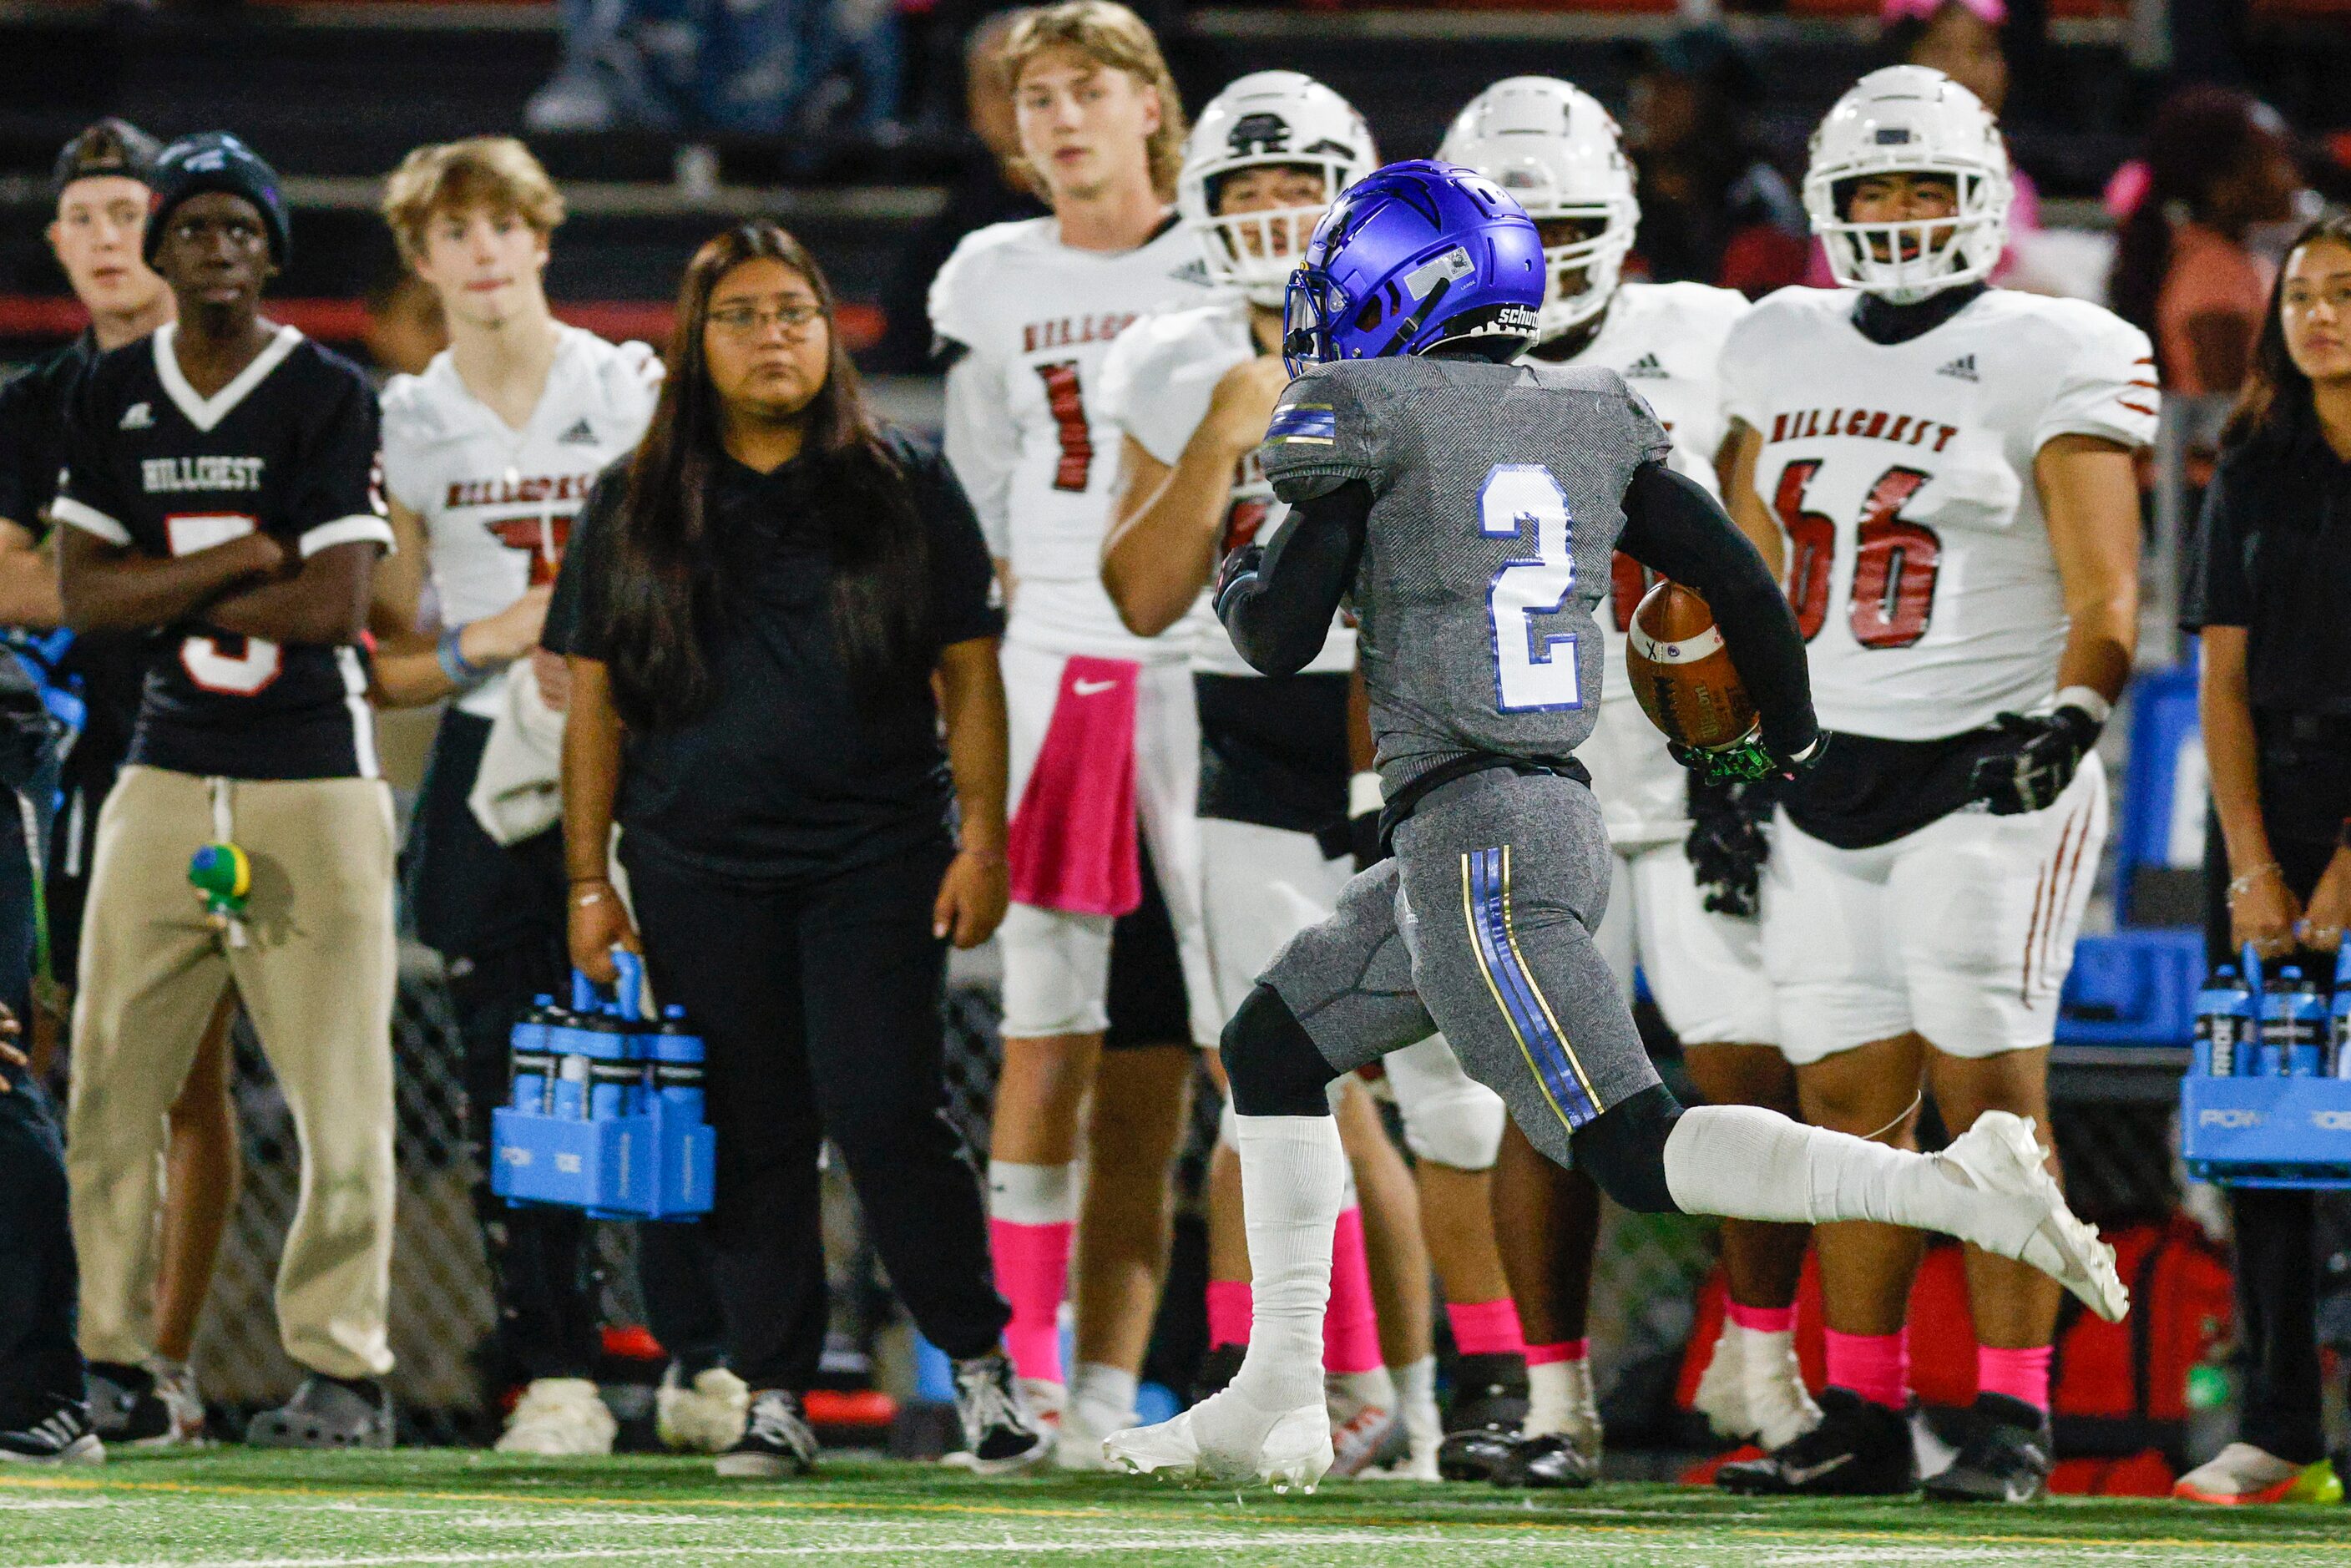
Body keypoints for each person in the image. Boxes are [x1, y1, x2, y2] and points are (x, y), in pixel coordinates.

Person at [1104, 157, 2123, 1492]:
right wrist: (1792, 739)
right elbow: (1741, 581)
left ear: (1407, 283)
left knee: (1632, 1147)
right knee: (1275, 1043)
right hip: (1523, 820)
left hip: (1475, 829)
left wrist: (1250, 564)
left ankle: (1954, 1186)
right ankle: (1278, 1390)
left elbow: (1278, 636)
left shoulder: (1365, 407)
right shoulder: (1590, 408)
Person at [1709, 67, 2155, 1503]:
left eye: (1926, 188)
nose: (1898, 218)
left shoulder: (2055, 346)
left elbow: (2109, 586)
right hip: (1822, 758)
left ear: (1984, 197)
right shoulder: (1774, 340)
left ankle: (2013, 1417)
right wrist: (1722, 745)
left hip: (1987, 758)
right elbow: (1728, 562)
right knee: (1845, 1108)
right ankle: (1863, 1407)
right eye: (1873, 191)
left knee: (1990, 1104)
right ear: (1828, 208)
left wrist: (2075, 710)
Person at [549, 220, 1044, 1480]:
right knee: (748, 1126)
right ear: (694, 345)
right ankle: (773, 1388)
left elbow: (970, 677)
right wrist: (588, 877)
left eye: (796, 312)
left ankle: (982, 1369)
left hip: (876, 853)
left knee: (889, 1114)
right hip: (694, 863)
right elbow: (593, 700)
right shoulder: (633, 499)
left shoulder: (906, 479)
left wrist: (982, 836)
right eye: (744, 316)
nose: (775, 336)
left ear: (830, 334)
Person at [1100, 68, 1531, 1481]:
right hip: (1248, 740)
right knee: (1267, 1076)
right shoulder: (1176, 362)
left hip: (1413, 734)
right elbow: (1137, 591)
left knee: (1458, 1095)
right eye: (1243, 190)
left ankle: (1468, 1386)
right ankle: (1264, 1379)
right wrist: (1229, 426)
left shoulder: (1446, 348)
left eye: (1300, 188)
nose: (1273, 215)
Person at [1433, 76, 1816, 1490]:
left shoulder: (1717, 333)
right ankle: (1553, 1397)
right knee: (1550, 1095)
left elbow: (1771, 541)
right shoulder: (1414, 366)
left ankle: (1762, 1350)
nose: (1541, 246)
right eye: (1512, 222)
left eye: (1568, 220)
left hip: (1698, 767)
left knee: (1744, 1062)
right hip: (1525, 770)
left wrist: (1751, 741)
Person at [372, 135, 751, 1458]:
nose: (480, 255)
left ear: (542, 237)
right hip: (490, 754)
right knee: (509, 1077)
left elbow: (709, 562)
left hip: (637, 738)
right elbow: (389, 658)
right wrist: (499, 633)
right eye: (451, 235)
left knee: (679, 1056)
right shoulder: (407, 421)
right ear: (422, 260)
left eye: (500, 228)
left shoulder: (629, 384)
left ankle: (708, 1354)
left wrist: (602, 635)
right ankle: (555, 1368)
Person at [53, 132, 402, 1449]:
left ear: (272, 252)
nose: (216, 248)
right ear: (160, 250)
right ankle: (113, 1359)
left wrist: (178, 576)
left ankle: (344, 1368)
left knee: (341, 1095)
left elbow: (334, 602)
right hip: (161, 759)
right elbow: (88, 596)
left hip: (313, 770)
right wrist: (242, 552)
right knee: (108, 1083)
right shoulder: (111, 392)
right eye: (192, 227)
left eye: (239, 229)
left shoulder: (324, 389)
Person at [927, 0, 1221, 1465]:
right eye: (1033, 95)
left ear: (1152, 105)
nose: (1058, 116)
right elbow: (982, 501)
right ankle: (1020, 1382)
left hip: (1213, 661)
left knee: (1201, 1058)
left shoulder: (1225, 247)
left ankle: (1189, 1378)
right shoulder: (990, 272)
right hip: (1057, 667)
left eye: (1087, 87)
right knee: (1046, 1034)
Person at [0, 119, 235, 1452]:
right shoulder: (31, 404)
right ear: (56, 241)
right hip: (41, 755)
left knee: (180, 1071)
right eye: (78, 215)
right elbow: (13, 581)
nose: (101, 238)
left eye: (122, 212)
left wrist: (100, 579)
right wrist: (190, 568)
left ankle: (164, 1360)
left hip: (194, 745)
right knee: (37, 1051)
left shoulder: (253, 383)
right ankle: (66, 1348)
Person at [2173, 213, 2351, 1509]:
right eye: (2303, 293)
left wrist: (2346, 872)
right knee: (2267, 1127)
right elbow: (2219, 673)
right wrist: (2253, 866)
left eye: (2345, 293)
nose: (2319, 315)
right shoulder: (2253, 459)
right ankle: (2280, 1422)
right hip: (2261, 811)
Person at [2108, 88, 2303, 401]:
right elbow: (2230, 409)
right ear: (2222, 185)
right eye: (2275, 160)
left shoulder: (2229, 259)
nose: (2293, 179)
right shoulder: (2214, 276)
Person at [1621, 26, 1808, 298]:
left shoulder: (1759, 204)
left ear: (1721, 105)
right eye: (1647, 81)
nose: (1648, 98)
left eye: (1672, 85)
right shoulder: (1618, 187)